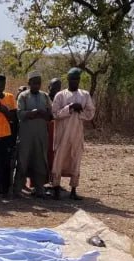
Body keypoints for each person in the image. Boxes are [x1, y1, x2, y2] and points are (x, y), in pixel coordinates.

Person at [51, 67, 95, 200]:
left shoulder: (85, 95)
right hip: (62, 134)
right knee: (59, 160)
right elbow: (55, 114)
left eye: (77, 79)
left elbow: (90, 113)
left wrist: (80, 110)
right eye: (72, 79)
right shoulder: (60, 95)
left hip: (76, 133)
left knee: (76, 160)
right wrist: (69, 108)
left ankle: (73, 190)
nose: (75, 81)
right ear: (68, 79)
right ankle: (56, 188)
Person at [15, 71, 52, 198]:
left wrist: (43, 113)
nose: (37, 85)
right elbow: (19, 114)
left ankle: (39, 188)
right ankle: (18, 188)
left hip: (41, 135)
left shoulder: (45, 96)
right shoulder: (23, 96)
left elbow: (50, 114)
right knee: (23, 161)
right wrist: (32, 113)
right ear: (29, 83)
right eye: (34, 83)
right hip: (26, 135)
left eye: (38, 83)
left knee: (40, 161)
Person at [47, 78, 62, 174]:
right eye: (54, 87)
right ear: (49, 87)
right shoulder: (44, 98)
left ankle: (54, 176)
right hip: (46, 130)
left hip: (58, 129)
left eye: (58, 88)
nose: (56, 90)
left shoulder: (61, 99)